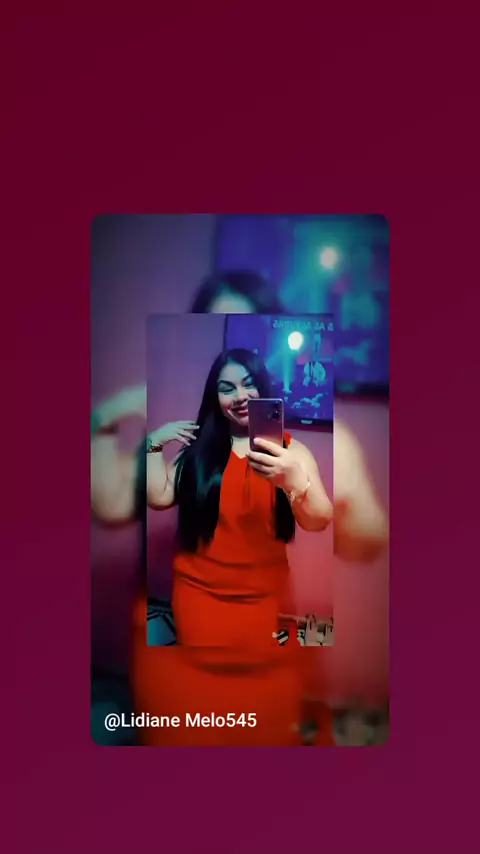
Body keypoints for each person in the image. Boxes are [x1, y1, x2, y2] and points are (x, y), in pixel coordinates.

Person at [146, 348, 332, 652]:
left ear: (263, 388)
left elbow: (318, 520)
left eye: (249, 384)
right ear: (215, 398)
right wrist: (153, 444)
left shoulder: (291, 452)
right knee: (203, 670)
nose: (241, 396)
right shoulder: (199, 449)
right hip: (197, 592)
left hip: (264, 596)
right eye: (227, 389)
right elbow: (160, 497)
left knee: (253, 673)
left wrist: (296, 481)